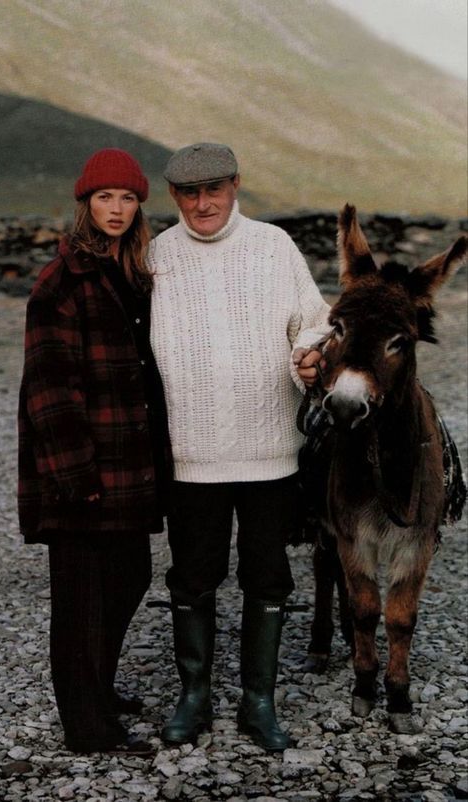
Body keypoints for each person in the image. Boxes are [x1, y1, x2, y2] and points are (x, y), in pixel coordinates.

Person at [148, 142, 329, 751]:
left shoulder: (274, 247)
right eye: (191, 192)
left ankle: (259, 702)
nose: (204, 203)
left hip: (270, 450)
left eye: (215, 189)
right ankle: (194, 697)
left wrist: (308, 352)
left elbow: (315, 318)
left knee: (267, 575)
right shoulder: (157, 258)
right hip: (189, 455)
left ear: (235, 187)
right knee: (192, 577)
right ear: (174, 196)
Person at [18, 148, 171, 755]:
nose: (117, 208)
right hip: (77, 469)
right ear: (86, 203)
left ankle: (96, 688)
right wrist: (73, 474)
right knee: (80, 599)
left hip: (127, 464)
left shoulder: (132, 275)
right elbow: (49, 388)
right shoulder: (62, 280)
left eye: (129, 198)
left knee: (130, 573)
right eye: (105, 197)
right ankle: (87, 725)